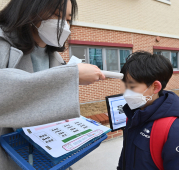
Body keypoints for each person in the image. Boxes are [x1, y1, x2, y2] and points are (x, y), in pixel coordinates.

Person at [0, 0, 105, 169]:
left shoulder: (54, 56)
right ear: (30, 9)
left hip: (47, 155)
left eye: (68, 19)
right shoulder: (2, 43)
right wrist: (70, 76)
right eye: (57, 15)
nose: (63, 25)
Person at [117, 51, 179, 170]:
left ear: (155, 87)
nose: (126, 92)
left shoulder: (174, 130)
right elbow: (126, 155)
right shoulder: (134, 115)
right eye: (125, 85)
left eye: (132, 86)